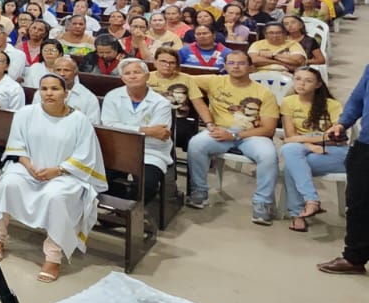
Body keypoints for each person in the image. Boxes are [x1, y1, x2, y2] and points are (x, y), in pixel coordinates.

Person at [0, 75, 108, 283]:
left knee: (56, 196)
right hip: (31, 168)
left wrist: (58, 170)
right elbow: (17, 146)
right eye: (44, 89)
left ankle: (53, 256)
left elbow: (85, 156)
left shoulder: (79, 120)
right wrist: (29, 166)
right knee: (9, 182)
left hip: (67, 175)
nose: (49, 93)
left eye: (55, 89)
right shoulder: (26, 114)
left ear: (66, 93)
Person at [186, 51, 280, 223]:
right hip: (219, 130)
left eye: (241, 63)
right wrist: (204, 114)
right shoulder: (214, 81)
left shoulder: (264, 93)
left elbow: (268, 129)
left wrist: (235, 135)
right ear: (225, 66)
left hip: (251, 135)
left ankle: (263, 202)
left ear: (251, 67)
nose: (235, 66)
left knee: (269, 155)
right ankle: (199, 191)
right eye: (231, 63)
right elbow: (184, 79)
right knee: (196, 144)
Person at [280, 67, 346, 232]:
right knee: (291, 154)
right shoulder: (288, 102)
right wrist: (310, 145)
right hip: (305, 150)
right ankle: (310, 202)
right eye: (298, 79)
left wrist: (302, 140)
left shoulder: (332, 105)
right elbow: (290, 135)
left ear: (318, 85)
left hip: (335, 152)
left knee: (292, 164)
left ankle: (298, 214)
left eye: (308, 81)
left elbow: (336, 138)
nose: (301, 84)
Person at [318, 63, 369, 275]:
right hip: (367, 145)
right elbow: (357, 99)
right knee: (358, 202)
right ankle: (354, 258)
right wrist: (342, 123)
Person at [100, 59, 173, 203]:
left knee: (147, 185)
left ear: (147, 76)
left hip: (151, 151)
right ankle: (117, 209)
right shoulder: (112, 96)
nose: (132, 76)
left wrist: (124, 128)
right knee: (102, 178)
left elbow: (159, 135)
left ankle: (132, 213)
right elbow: (109, 127)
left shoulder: (161, 103)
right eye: (127, 73)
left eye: (137, 72)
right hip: (118, 150)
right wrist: (145, 130)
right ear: (122, 78)